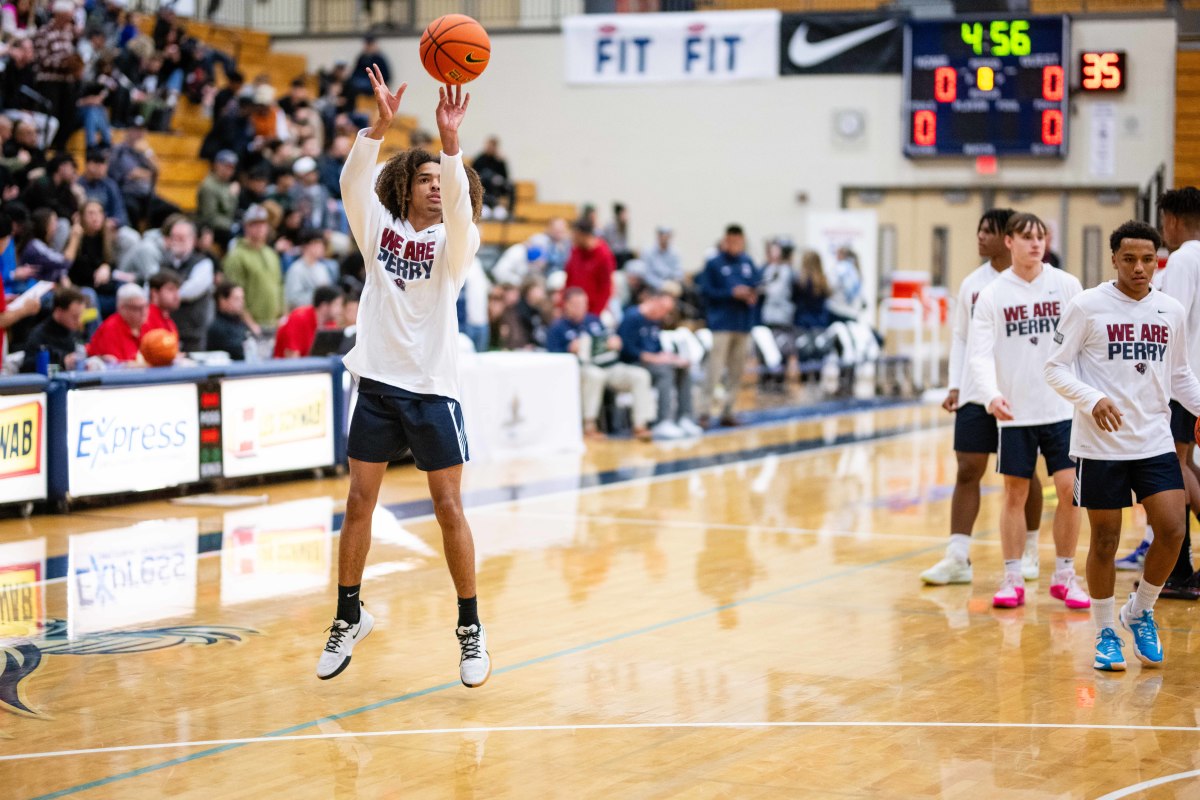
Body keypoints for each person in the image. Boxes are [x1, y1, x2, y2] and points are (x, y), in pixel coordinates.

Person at [316, 68, 490, 688]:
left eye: (442, 181)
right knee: (359, 502)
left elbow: (462, 206)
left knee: (448, 508)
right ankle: (346, 617)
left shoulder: (456, 245)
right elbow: (350, 184)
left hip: (434, 389)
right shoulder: (378, 232)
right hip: (378, 385)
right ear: (406, 187)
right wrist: (378, 129)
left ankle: (470, 628)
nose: (436, 189)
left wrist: (449, 144)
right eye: (424, 180)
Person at [1044, 220, 1200, 670]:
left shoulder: (1170, 310)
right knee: (1105, 541)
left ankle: (1141, 611)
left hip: (1153, 438)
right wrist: (1092, 399)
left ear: (1158, 261)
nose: (1139, 267)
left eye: (1148, 259)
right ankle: (1105, 631)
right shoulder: (1086, 306)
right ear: (1114, 258)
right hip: (1100, 445)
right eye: (1129, 259)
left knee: (1172, 529)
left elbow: (1180, 375)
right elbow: (1055, 368)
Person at [921, 209, 1045, 587]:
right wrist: (954, 383)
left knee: (1022, 474)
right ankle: (958, 556)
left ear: (1007, 237)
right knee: (967, 467)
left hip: (1018, 392)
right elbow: (962, 337)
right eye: (978, 230)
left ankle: (1029, 548)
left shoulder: (1039, 281)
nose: (979, 237)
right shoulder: (973, 283)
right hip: (977, 391)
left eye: (987, 231)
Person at [968, 212, 1085, 610]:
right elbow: (978, 355)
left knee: (1071, 489)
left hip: (1062, 409)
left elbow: (1085, 343)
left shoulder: (1067, 285)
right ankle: (1012, 576)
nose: (1036, 244)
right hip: (1016, 412)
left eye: (1041, 238)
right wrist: (990, 395)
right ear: (1010, 242)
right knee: (1014, 493)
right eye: (1027, 237)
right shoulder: (993, 294)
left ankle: (1066, 575)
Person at [1122, 187, 1200, 597]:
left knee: (1176, 469)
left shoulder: (1185, 258)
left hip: (1180, 379)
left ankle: (1179, 567)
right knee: (1185, 467)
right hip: (1191, 381)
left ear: (1170, 220)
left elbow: (1170, 321)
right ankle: (1177, 563)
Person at [547, 286, 654, 440]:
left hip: (608, 366)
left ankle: (640, 425)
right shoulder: (557, 328)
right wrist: (569, 349)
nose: (580, 308)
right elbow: (553, 358)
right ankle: (589, 425)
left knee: (640, 375)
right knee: (594, 376)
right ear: (566, 305)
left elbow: (612, 338)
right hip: (581, 369)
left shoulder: (594, 320)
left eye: (583, 304)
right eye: (576, 305)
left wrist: (615, 342)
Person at [696, 224, 761, 428]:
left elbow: (757, 285)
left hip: (743, 323)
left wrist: (751, 295)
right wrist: (731, 293)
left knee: (737, 370)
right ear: (725, 240)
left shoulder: (748, 262)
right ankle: (704, 411)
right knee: (714, 369)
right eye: (731, 241)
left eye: (738, 241)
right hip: (721, 323)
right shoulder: (714, 264)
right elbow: (705, 292)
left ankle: (729, 410)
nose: (735, 245)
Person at [618, 289, 700, 440]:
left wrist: (672, 358)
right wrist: (654, 358)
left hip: (653, 362)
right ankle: (664, 421)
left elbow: (658, 348)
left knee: (683, 368)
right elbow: (626, 350)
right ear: (654, 302)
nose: (665, 315)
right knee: (664, 371)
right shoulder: (632, 317)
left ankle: (684, 417)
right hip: (633, 364)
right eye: (664, 309)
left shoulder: (655, 320)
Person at [222, 203, 282, 332]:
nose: (260, 228)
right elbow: (234, 295)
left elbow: (280, 285)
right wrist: (249, 322)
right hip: (249, 326)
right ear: (246, 227)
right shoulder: (237, 256)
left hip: (273, 324)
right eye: (254, 224)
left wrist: (282, 316)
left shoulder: (271, 254)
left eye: (263, 224)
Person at [161, 216, 215, 353]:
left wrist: (165, 295)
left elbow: (190, 291)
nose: (177, 241)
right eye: (174, 237)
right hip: (165, 332)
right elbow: (150, 290)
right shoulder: (164, 263)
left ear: (192, 240)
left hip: (193, 334)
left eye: (182, 237)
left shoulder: (203, 263)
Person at [21, 286, 85, 372]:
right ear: (59, 311)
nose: (78, 321)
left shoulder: (74, 332)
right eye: (74, 316)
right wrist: (61, 363)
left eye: (80, 315)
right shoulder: (39, 335)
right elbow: (28, 368)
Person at [273, 285, 343, 358]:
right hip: (286, 368)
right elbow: (291, 359)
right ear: (324, 306)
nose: (340, 310)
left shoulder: (331, 323)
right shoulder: (299, 318)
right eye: (337, 304)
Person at [564, 219, 615, 317]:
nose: (573, 239)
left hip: (592, 311)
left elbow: (606, 288)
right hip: (572, 309)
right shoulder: (575, 251)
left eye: (575, 236)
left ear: (583, 235)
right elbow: (569, 278)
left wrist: (595, 314)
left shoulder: (603, 255)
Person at [86, 281, 147, 362]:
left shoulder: (147, 325)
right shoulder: (110, 329)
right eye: (137, 308)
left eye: (145, 306)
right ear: (122, 308)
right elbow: (117, 368)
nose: (143, 312)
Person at [284, 229, 336, 311]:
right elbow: (292, 299)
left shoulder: (322, 268)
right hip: (302, 316)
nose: (321, 247)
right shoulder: (296, 269)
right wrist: (318, 296)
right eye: (318, 243)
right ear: (307, 246)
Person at [197, 149, 238, 247]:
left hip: (226, 225)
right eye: (226, 166)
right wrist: (232, 197)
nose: (229, 171)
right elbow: (209, 217)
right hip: (212, 229)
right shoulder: (208, 186)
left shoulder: (226, 184)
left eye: (232, 168)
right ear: (216, 165)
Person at [206, 280, 251, 360]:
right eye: (236, 299)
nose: (241, 302)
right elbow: (237, 351)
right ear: (222, 301)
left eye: (242, 298)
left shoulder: (241, 324)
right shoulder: (217, 328)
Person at [143, 267, 180, 339]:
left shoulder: (169, 322)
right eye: (170, 289)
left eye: (177, 290)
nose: (176, 296)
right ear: (154, 293)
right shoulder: (144, 319)